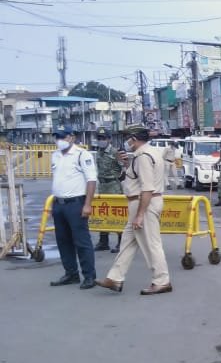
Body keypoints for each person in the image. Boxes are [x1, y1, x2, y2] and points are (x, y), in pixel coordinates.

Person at [95, 125, 172, 295]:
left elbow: (147, 188)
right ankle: (115, 278)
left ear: (134, 139)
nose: (126, 141)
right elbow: (136, 179)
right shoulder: (148, 153)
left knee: (151, 244)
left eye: (128, 138)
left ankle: (162, 280)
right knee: (127, 243)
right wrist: (125, 164)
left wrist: (140, 215)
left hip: (144, 203)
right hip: (141, 203)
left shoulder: (143, 156)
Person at [48, 126, 98, 289]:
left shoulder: (82, 155)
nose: (59, 140)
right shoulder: (55, 155)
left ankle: (89, 276)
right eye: (57, 137)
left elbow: (91, 180)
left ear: (72, 138)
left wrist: (87, 204)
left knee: (82, 241)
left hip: (76, 204)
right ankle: (71, 273)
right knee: (63, 241)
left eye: (62, 137)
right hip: (59, 203)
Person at [93, 128, 123, 253]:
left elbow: (124, 167)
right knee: (102, 214)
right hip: (102, 186)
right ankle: (103, 241)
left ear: (109, 139)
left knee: (116, 215)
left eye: (103, 138)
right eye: (99, 139)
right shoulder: (98, 152)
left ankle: (121, 242)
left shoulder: (115, 152)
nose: (101, 141)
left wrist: (118, 177)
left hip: (113, 186)